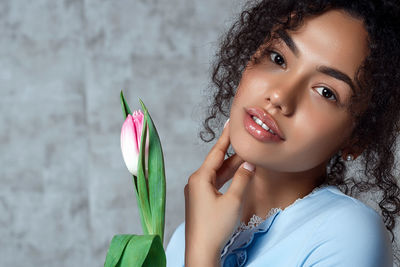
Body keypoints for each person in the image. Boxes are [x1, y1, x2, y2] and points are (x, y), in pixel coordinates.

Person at [166, 0, 400, 266]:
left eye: (326, 92)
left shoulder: (349, 235)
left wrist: (202, 252)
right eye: (278, 58)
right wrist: (198, 239)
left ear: (357, 138)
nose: (279, 96)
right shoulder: (186, 236)